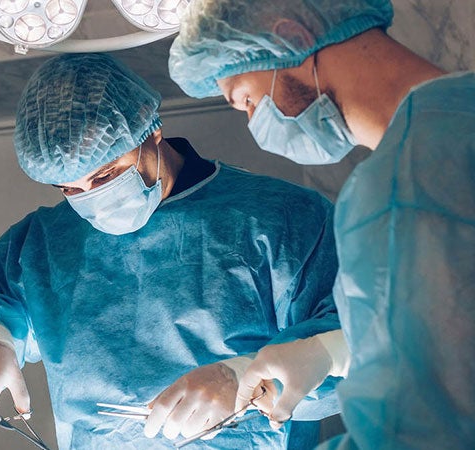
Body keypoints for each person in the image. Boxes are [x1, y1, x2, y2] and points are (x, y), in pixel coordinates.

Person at [0, 52, 345, 450]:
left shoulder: (282, 218)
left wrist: (242, 379)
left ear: (151, 132)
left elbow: (351, 341)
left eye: (105, 174)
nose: (89, 198)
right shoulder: (42, 242)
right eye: (69, 188)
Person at [169, 0, 475, 448]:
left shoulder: (399, 189)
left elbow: (423, 432)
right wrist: (329, 352)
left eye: (247, 100)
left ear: (291, 37)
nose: (255, 122)